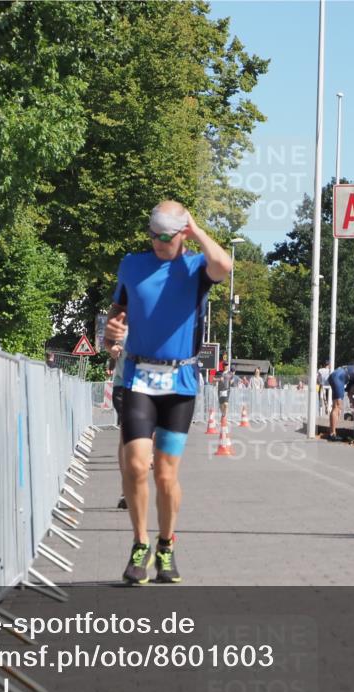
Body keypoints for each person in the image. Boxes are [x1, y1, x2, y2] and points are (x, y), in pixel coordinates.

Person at [104, 200, 232, 585]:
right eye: (153, 234)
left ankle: (166, 543)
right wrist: (111, 336)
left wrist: (197, 231)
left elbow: (225, 267)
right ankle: (140, 544)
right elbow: (117, 312)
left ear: (182, 233)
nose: (159, 242)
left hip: (179, 383)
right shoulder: (132, 264)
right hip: (138, 378)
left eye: (167, 235)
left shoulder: (195, 268)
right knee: (135, 463)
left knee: (165, 474)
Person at [110, 331, 129, 510]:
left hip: (148, 386)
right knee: (126, 433)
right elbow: (109, 344)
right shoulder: (122, 324)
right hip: (122, 386)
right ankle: (126, 490)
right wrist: (112, 350)